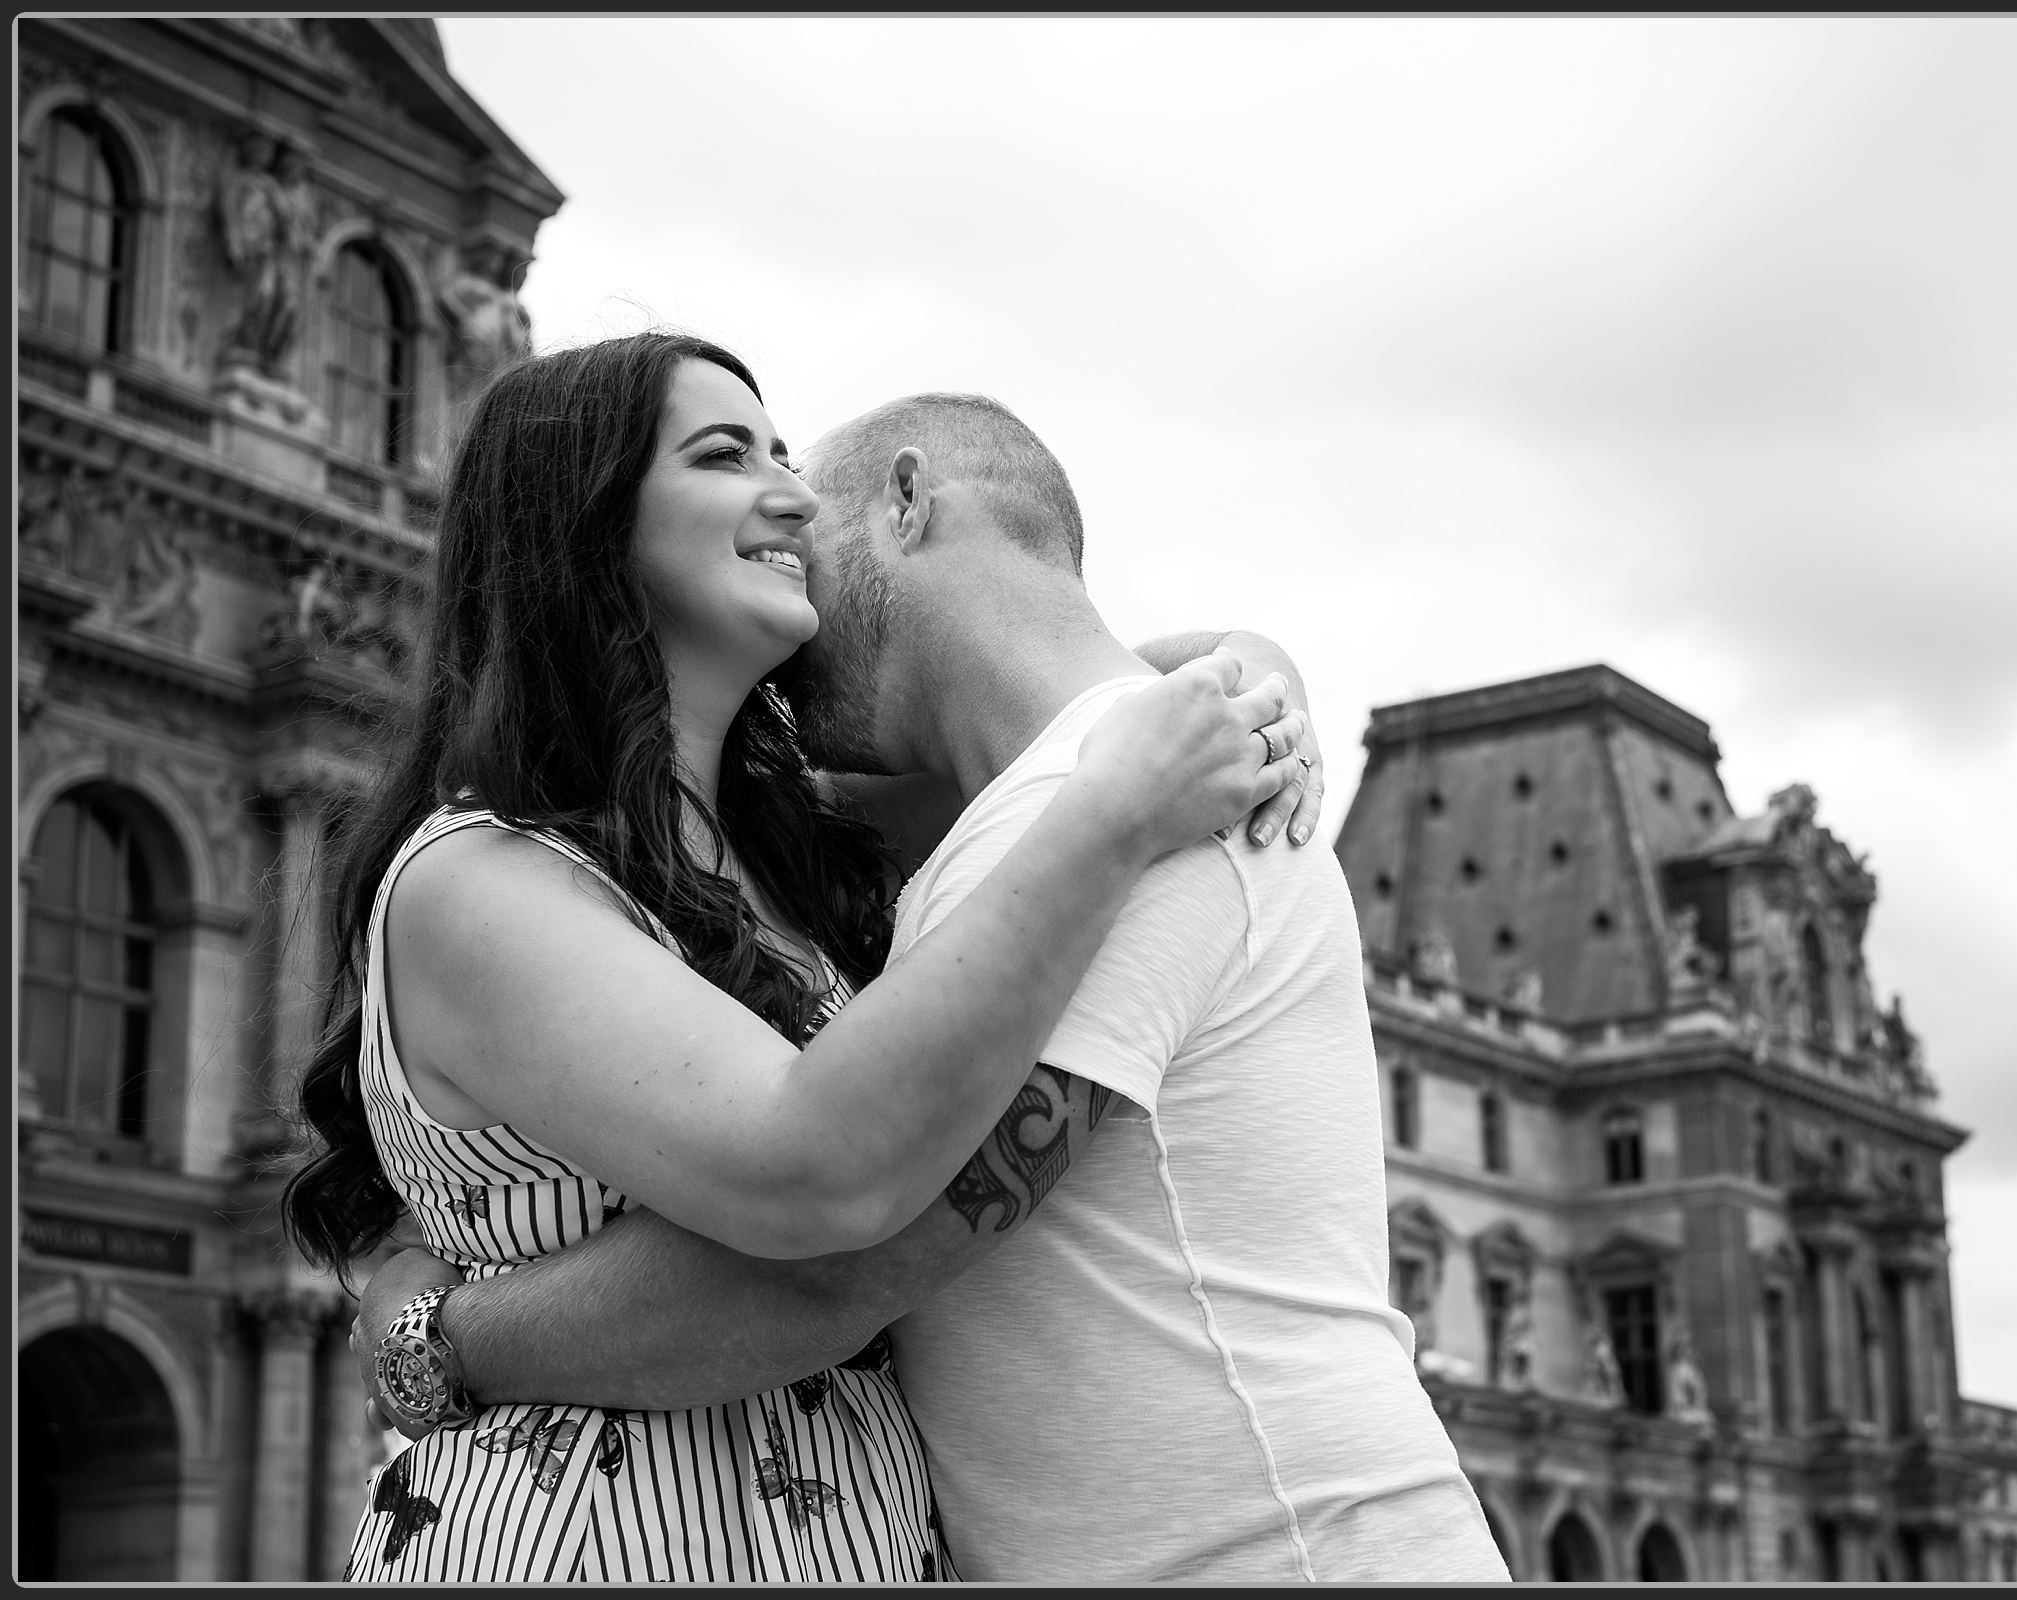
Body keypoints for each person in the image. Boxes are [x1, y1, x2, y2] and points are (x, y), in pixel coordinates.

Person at [354, 391, 1514, 1583]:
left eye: (807, 484)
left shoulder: (1145, 795)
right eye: (730, 459)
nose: (790, 508)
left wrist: (442, 1339)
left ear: (910, 498)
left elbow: (850, 1254)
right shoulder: (1098, 792)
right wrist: (1224, 684)